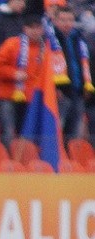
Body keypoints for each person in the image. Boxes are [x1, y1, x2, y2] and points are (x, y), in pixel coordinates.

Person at [0, 11, 47, 148]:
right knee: (8, 132)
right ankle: (9, 161)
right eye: (31, 27)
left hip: (32, 99)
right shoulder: (12, 44)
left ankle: (26, 162)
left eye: (38, 28)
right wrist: (14, 74)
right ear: (25, 28)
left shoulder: (46, 49)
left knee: (28, 134)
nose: (35, 31)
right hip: (9, 96)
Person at [52, 5, 94, 143]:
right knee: (59, 126)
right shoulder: (51, 40)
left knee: (76, 129)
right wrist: (55, 88)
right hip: (60, 91)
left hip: (78, 90)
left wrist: (86, 85)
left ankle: (71, 159)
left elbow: (84, 64)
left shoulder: (79, 39)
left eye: (70, 20)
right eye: (63, 20)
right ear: (55, 20)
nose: (67, 23)